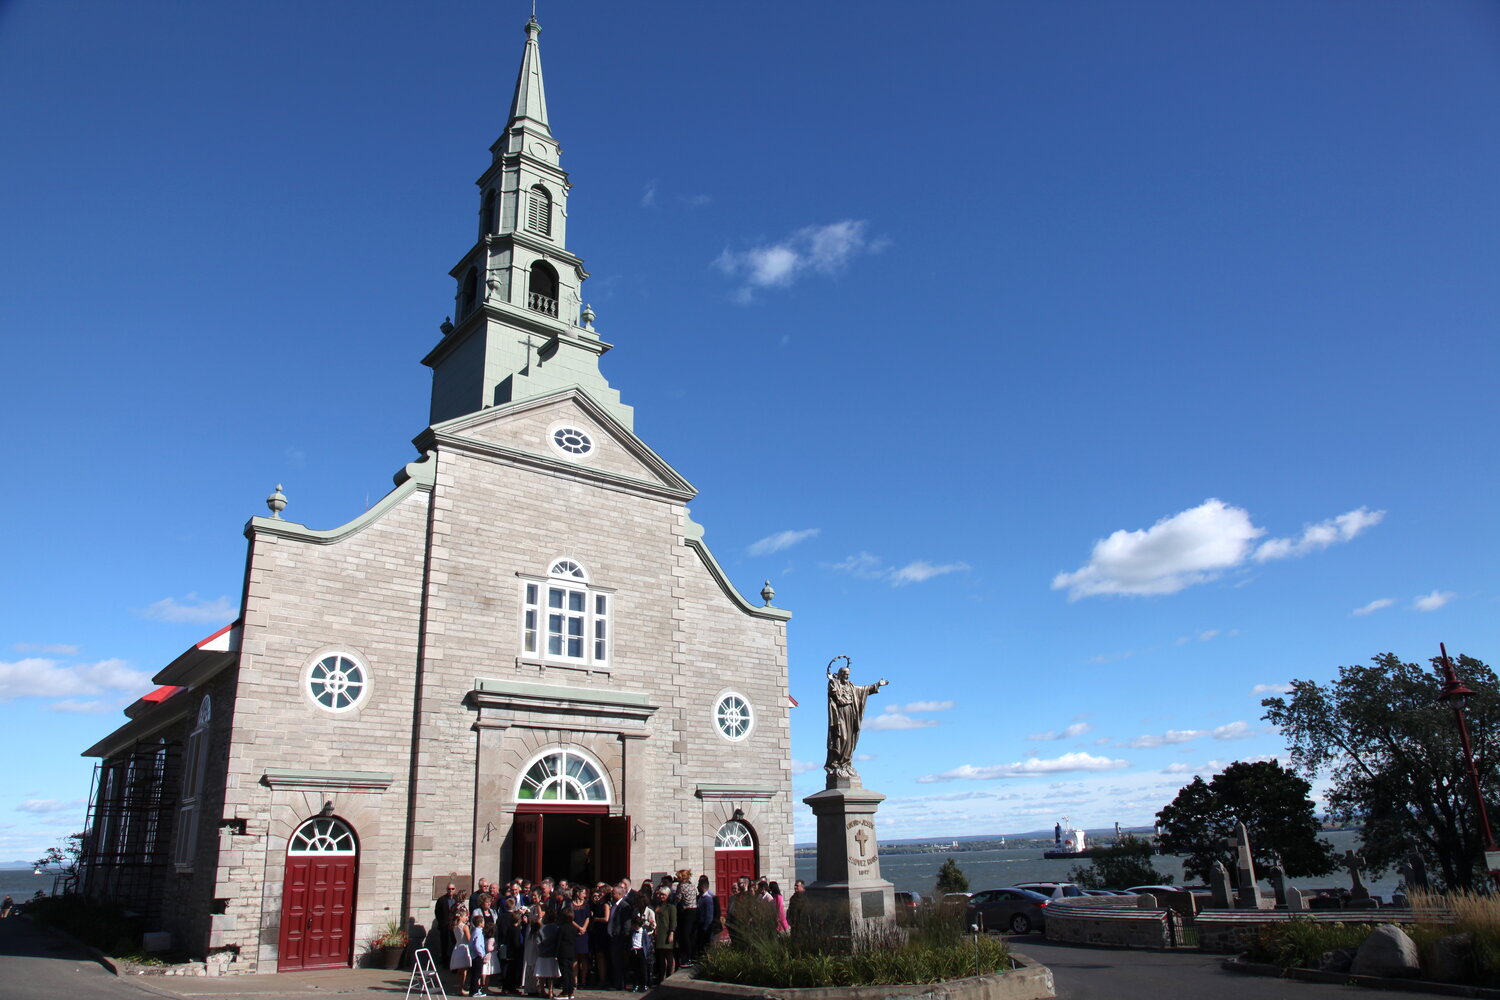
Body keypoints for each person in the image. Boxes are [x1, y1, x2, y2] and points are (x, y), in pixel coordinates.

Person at [824, 657, 889, 780]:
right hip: (840, 714)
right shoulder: (835, 684)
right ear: (840, 674)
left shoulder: (852, 687)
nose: (847, 676)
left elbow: (863, 690)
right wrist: (832, 680)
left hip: (850, 713)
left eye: (848, 674)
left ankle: (846, 764)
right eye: (845, 674)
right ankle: (836, 763)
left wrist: (878, 685)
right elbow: (834, 692)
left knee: (849, 739)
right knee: (841, 737)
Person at [534, 905, 562, 999]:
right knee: (551, 975)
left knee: (541, 974)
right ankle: (550, 991)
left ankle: (542, 990)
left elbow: (538, 942)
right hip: (552, 954)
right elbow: (557, 941)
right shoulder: (556, 928)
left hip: (542, 954)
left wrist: (541, 949)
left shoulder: (541, 929)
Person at [653, 885, 677, 983]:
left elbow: (673, 921)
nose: (661, 896)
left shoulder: (671, 907)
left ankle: (670, 975)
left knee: (669, 955)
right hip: (659, 933)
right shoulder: (658, 906)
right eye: (660, 894)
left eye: (663, 895)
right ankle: (662, 976)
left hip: (667, 933)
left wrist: (671, 933)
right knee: (661, 956)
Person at [568, 887, 590, 995]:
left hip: (584, 934)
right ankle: (575, 981)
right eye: (583, 893)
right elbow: (570, 918)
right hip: (575, 933)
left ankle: (584, 980)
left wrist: (584, 928)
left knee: (584, 957)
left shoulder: (586, 904)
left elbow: (588, 917)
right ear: (577, 893)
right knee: (575, 958)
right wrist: (578, 928)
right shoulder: (571, 905)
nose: (584, 895)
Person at [673, 870, 697, 966]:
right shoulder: (692, 885)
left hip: (687, 911)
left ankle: (687, 956)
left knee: (685, 934)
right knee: (692, 934)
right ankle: (693, 955)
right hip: (695, 910)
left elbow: (678, 898)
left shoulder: (681, 886)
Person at [436, 883, 460, 973]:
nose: (451, 891)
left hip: (455, 925)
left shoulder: (457, 899)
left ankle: (454, 963)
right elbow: (437, 912)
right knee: (444, 944)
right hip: (445, 926)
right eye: (449, 889)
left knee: (454, 944)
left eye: (452, 889)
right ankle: (445, 962)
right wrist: (442, 922)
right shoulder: (442, 900)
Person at [450, 909, 473, 995]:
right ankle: (461, 987)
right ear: (461, 917)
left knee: (460, 970)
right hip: (464, 947)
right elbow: (469, 939)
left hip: (458, 946)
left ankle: (460, 987)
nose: (467, 918)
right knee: (464, 970)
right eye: (465, 916)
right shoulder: (464, 927)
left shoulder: (455, 926)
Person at [695, 875, 716, 959]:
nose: (697, 887)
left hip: (706, 929)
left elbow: (709, 916)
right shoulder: (700, 898)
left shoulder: (708, 899)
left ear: (702, 887)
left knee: (707, 948)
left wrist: (705, 928)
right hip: (700, 928)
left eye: (699, 885)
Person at [470, 912, 489, 997]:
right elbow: (477, 945)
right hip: (477, 956)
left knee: (475, 974)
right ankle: (474, 991)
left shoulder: (475, 931)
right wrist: (481, 954)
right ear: (480, 923)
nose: (484, 923)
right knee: (476, 974)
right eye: (483, 922)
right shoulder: (478, 932)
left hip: (474, 955)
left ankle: (474, 990)